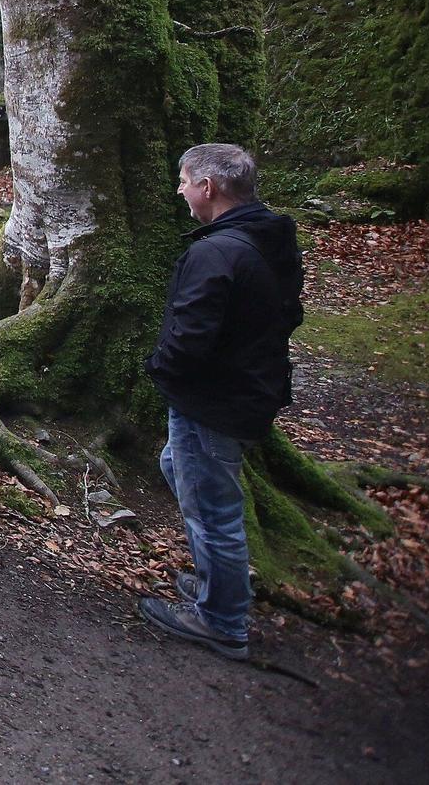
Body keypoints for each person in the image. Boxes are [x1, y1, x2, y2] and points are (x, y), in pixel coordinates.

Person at [137, 143, 304, 661]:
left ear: (208, 188)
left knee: (213, 509)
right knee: (179, 469)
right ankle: (218, 586)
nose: (181, 190)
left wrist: (160, 370)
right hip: (245, 388)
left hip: (214, 398)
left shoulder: (216, 252)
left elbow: (190, 336)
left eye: (185, 181)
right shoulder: (271, 240)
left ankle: (223, 620)